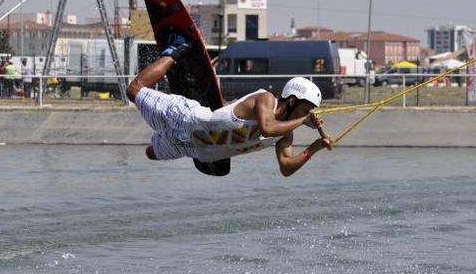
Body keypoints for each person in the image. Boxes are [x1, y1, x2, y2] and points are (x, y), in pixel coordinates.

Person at [126, 33, 333, 176]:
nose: (307, 114)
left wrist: (314, 148)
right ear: (292, 100)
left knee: (150, 153)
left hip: (189, 147)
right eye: (306, 109)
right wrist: (303, 119)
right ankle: (175, 51)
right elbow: (267, 128)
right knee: (133, 90)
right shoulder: (266, 99)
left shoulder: (285, 134)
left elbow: (286, 168)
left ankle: (161, 131)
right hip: (185, 118)